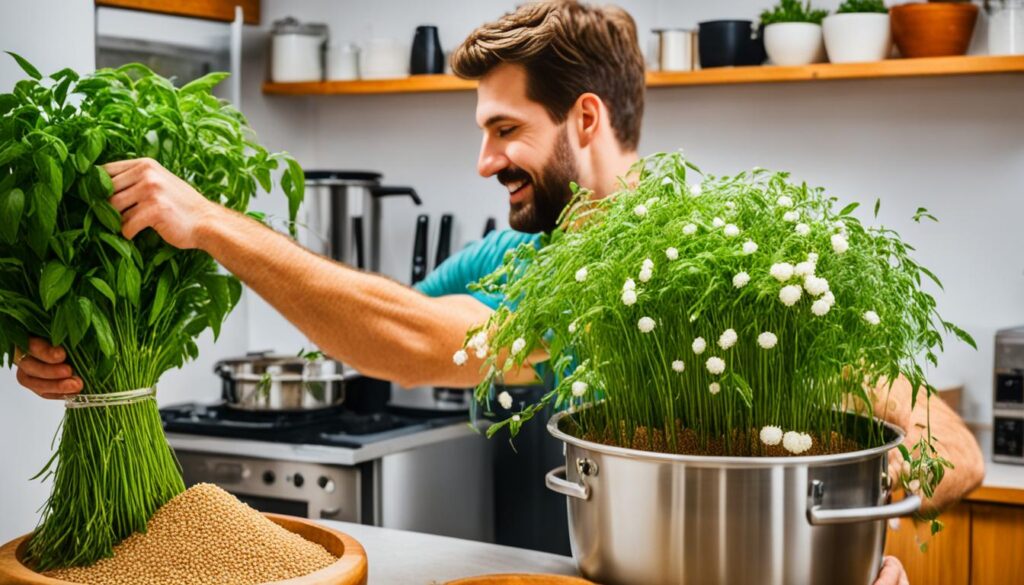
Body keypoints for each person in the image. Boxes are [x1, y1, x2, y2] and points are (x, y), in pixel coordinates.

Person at [14, 2, 979, 581]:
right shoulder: (500, 263)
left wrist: (851, 542)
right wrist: (99, 361)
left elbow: (954, 450)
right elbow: (392, 332)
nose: (484, 160)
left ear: (585, 117)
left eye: (505, 129)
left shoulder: (729, 271)